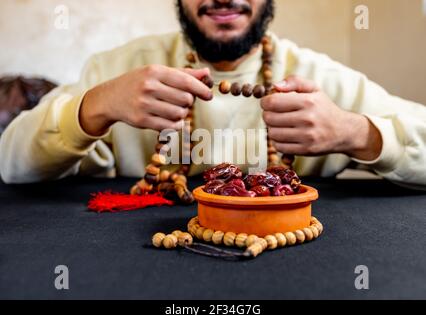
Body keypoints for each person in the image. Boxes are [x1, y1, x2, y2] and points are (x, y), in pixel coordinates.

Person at [1, 0, 425, 189]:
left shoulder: (324, 79)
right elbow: (10, 163)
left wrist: (357, 132)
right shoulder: (117, 71)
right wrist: (95, 108)